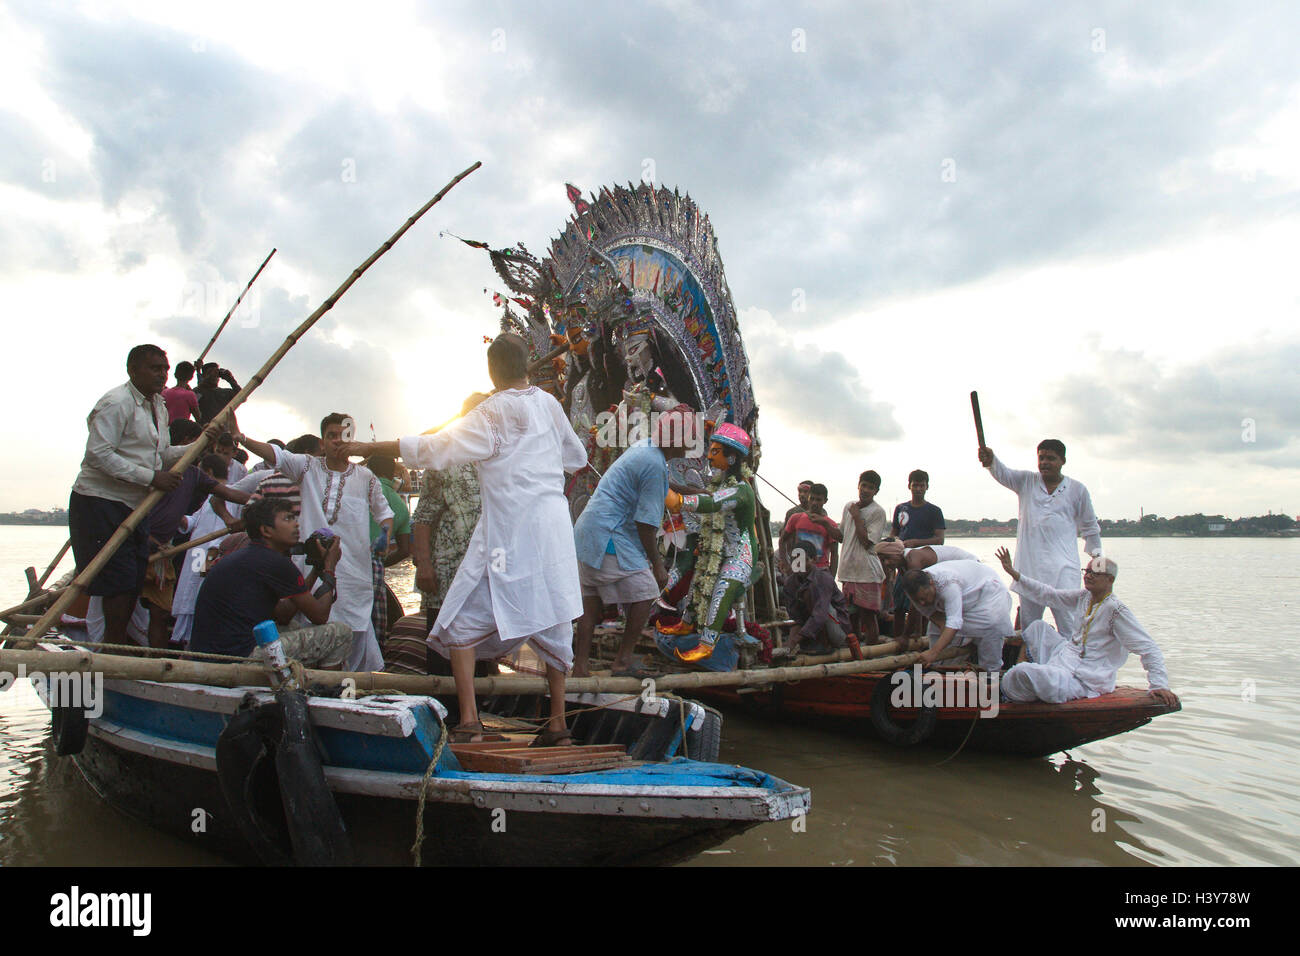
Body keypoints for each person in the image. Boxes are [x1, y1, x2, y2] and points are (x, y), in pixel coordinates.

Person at [342, 334, 588, 744]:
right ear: (526, 366)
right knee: (554, 618)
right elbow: (576, 458)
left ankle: (470, 721)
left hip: (509, 531)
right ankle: (558, 725)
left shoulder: (490, 413)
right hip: (553, 531)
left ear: (492, 372)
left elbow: (435, 447)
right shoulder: (548, 404)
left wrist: (368, 445)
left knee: (457, 622)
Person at [238, 415, 394, 673]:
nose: (337, 441)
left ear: (352, 441)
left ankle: (346, 693)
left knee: (353, 634)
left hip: (354, 574)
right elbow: (277, 455)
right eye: (331, 435)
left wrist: (385, 534)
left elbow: (384, 512)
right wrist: (242, 438)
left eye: (343, 436)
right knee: (309, 630)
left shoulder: (365, 477)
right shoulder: (307, 467)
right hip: (310, 570)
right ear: (323, 441)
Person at [69, 344, 185, 645]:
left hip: (135, 505)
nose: (162, 374)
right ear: (133, 370)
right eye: (155, 368)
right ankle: (112, 645)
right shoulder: (116, 403)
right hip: (100, 501)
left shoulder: (158, 406)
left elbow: (161, 455)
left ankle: (117, 643)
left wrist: (198, 446)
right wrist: (151, 478)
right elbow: (98, 454)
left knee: (134, 580)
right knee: (115, 581)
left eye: (165, 369)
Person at [572, 409, 696, 677]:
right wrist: (657, 564)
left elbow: (664, 482)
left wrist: (694, 492)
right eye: (689, 437)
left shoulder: (647, 450)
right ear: (676, 440)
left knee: (590, 603)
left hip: (587, 533)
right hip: (608, 534)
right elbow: (646, 524)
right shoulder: (652, 462)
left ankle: (580, 668)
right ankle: (622, 662)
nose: (691, 444)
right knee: (646, 590)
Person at [996, 548, 1178, 707]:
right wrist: (1015, 574)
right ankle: (1033, 677)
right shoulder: (1085, 597)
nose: (1088, 576)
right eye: (1087, 571)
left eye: (1095, 573)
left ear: (1110, 579)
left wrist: (1159, 685)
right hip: (1064, 657)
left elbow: (1149, 648)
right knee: (1038, 628)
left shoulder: (1115, 610)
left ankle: (1015, 687)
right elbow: (1050, 595)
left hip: (1083, 678)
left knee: (1021, 673)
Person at [190, 498, 352, 669]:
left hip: (212, 656)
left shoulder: (251, 556)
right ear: (266, 530)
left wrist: (316, 570)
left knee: (293, 626)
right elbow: (319, 615)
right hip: (243, 657)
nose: (296, 525)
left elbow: (284, 614)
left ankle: (299, 682)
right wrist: (329, 568)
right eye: (287, 519)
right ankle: (326, 690)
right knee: (340, 634)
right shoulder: (275, 562)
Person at [979, 439, 1102, 637]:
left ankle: (1071, 666)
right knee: (1030, 627)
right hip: (1030, 569)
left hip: (1064, 570)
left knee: (1069, 626)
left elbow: (1090, 526)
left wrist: (1097, 558)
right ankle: (1031, 665)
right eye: (1041, 458)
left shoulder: (1078, 490)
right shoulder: (1026, 481)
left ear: (1062, 461)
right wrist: (990, 459)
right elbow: (1003, 473)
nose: (1044, 462)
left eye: (1051, 458)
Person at [659, 423, 757, 666]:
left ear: (731, 458)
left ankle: (706, 645)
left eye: (715, 452)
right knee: (698, 582)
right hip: (718, 549)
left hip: (740, 555)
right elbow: (706, 494)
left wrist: (678, 500)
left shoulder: (740, 490)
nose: (709, 456)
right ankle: (686, 624)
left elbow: (712, 502)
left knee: (721, 590)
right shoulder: (720, 482)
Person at [410, 395, 486, 648]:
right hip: (446, 571)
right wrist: (423, 565)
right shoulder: (445, 456)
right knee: (442, 644)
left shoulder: (498, 457)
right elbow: (423, 516)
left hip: (484, 571)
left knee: (481, 645)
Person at [899, 559, 1012, 672]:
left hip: (988, 594)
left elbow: (954, 623)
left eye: (924, 597)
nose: (922, 603)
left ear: (931, 583)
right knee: (935, 630)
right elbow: (936, 617)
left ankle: (990, 673)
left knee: (992, 625)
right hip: (964, 601)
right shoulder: (913, 590)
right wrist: (939, 645)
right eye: (918, 600)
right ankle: (939, 669)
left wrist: (933, 652)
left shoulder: (948, 583)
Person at [366, 453, 413, 640]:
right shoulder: (400, 506)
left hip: (348, 557)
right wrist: (379, 564)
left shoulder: (363, 488)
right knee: (375, 619)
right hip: (375, 565)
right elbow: (405, 550)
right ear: (391, 472)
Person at [779, 543, 853, 658]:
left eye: (804, 560)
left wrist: (794, 641)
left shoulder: (823, 578)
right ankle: (810, 642)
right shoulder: (790, 583)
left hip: (837, 630)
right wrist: (790, 643)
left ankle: (825, 644)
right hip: (812, 630)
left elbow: (820, 615)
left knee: (810, 593)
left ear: (814, 560)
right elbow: (795, 618)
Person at [838, 470, 887, 643]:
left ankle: (872, 652)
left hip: (867, 573)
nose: (865, 490)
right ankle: (856, 653)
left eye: (871, 487)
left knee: (868, 616)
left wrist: (857, 516)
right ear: (858, 485)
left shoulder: (878, 512)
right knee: (852, 617)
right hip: (848, 572)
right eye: (864, 485)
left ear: (876, 491)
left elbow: (867, 542)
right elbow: (841, 536)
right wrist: (822, 521)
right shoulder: (848, 506)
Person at [780, 482, 842, 573]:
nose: (814, 503)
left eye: (818, 500)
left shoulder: (830, 524)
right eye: (812, 499)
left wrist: (830, 579)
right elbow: (782, 541)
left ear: (825, 501)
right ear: (808, 497)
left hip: (821, 571)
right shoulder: (795, 518)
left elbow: (834, 554)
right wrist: (786, 564)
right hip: (798, 569)